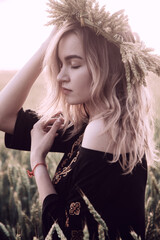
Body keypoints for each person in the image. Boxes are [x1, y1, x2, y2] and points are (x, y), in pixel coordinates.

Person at [0, 0, 160, 239]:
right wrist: (49, 44)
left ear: (107, 69)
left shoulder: (102, 130)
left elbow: (64, 232)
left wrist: (38, 162)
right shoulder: (93, 123)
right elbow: (3, 115)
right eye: (59, 63)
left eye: (74, 64)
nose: (61, 76)